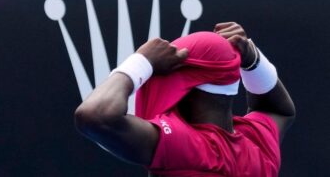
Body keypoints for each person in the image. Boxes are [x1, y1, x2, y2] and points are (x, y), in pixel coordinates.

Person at [74, 22, 295, 176]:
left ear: (189, 86)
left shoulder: (186, 148)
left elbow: (94, 115)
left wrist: (142, 62)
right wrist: (251, 57)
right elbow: (279, 109)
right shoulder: (258, 145)